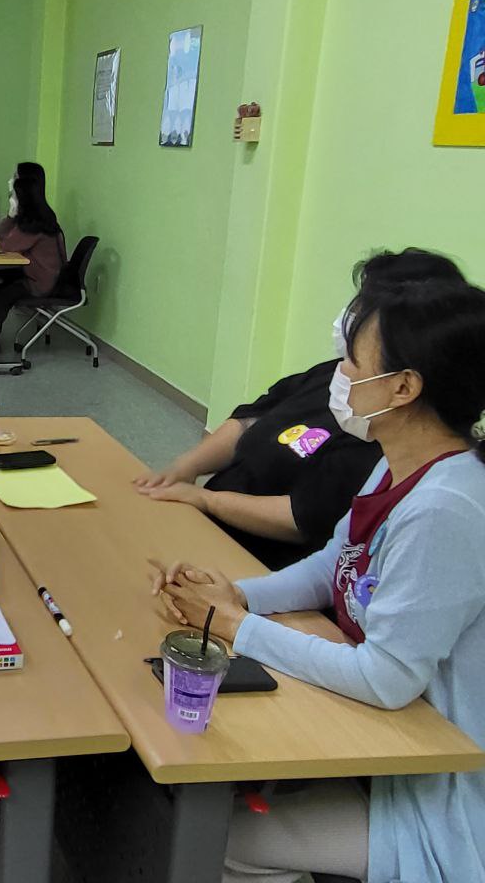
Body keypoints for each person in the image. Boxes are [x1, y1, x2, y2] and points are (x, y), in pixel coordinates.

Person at [151, 279, 485, 883]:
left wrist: (239, 628)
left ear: (405, 387)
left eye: (356, 362)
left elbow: (386, 679)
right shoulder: (397, 459)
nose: (342, 373)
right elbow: (337, 565)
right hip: (387, 741)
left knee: (222, 838)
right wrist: (236, 595)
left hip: (441, 788)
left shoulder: (446, 508)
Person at [134, 248, 466, 570]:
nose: (354, 316)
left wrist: (206, 501)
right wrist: (186, 466)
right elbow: (253, 416)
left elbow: (307, 523)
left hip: (256, 559)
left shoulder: (385, 435)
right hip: (214, 530)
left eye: (367, 305)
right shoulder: (343, 374)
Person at [0, 163, 66, 358]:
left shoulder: (36, 222)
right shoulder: (37, 214)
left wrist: (9, 215)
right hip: (32, 273)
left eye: (14, 177)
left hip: (39, 282)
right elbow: (5, 242)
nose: (9, 181)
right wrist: (12, 216)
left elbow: (6, 244)